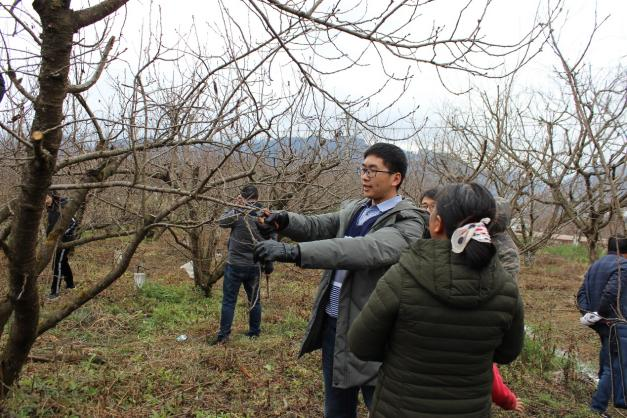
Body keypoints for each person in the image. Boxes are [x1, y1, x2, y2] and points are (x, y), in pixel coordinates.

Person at [254, 143, 427, 418]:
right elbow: (318, 225)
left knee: (383, 408)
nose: (365, 176)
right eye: (363, 169)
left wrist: (292, 252)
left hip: (379, 334)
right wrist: (284, 221)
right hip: (338, 324)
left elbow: (363, 250)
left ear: (396, 178)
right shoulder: (357, 209)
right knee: (336, 410)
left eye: (373, 170)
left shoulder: (409, 223)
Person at [347, 183, 524, 417]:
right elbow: (507, 353)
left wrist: (402, 351)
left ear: (438, 223)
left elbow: (360, 344)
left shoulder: (403, 276)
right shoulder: (506, 288)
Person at [209, 184, 274, 345]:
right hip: (255, 265)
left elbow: (222, 222)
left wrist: (235, 206)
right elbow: (272, 240)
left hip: (235, 265)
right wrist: (269, 264)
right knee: (254, 300)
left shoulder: (238, 212)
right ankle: (254, 333)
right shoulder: (265, 215)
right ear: (258, 197)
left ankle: (223, 336)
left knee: (229, 301)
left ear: (242, 197)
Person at [578, 236, 627, 417]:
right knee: (614, 366)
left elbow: (582, 292)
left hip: (601, 323)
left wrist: (587, 314)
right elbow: (612, 291)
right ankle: (597, 408)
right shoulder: (623, 266)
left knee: (608, 359)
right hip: (614, 322)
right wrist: (599, 312)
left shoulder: (595, 265)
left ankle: (602, 402)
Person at [46, 192, 77, 299]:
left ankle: (55, 292)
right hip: (54, 241)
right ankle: (70, 284)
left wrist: (62, 235)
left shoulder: (61, 206)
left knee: (57, 264)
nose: (44, 199)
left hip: (64, 241)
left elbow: (73, 222)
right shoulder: (49, 208)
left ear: (51, 196)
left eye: (46, 197)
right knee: (63, 262)